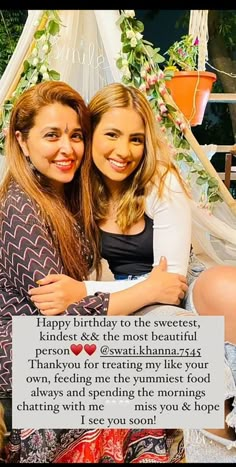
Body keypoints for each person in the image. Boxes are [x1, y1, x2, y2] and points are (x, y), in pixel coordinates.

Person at [28, 82, 236, 461]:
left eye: (136, 139)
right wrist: (95, 292)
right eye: (111, 135)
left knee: (225, 290)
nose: (124, 151)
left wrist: (82, 290)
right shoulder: (73, 186)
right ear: (90, 137)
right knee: (188, 345)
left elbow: (170, 283)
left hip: (165, 291)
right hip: (119, 302)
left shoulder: (159, 179)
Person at [0, 80, 190, 463]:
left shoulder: (63, 193)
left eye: (75, 135)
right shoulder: (20, 207)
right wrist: (149, 290)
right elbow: (61, 317)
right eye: (51, 135)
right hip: (26, 351)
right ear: (21, 141)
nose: (67, 148)